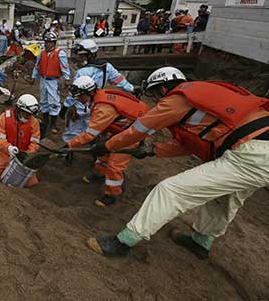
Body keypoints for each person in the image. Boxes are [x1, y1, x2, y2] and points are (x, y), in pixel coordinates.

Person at [87, 66, 269, 259]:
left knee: (169, 190)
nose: (157, 101)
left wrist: (107, 146)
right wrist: (152, 151)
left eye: (156, 95)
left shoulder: (177, 99)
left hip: (252, 155)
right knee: (225, 197)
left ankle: (123, 242)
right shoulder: (200, 97)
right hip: (257, 149)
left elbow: (138, 130)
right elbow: (188, 145)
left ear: (163, 89)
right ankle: (201, 242)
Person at [66, 76, 148, 206]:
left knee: (115, 164)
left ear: (90, 93)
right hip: (121, 129)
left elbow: (90, 134)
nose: (79, 100)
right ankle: (100, 174)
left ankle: (112, 194)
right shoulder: (100, 97)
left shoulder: (103, 107)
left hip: (132, 132)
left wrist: (70, 144)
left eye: (80, 96)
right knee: (102, 152)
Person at [63, 39, 135, 143]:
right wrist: (132, 89)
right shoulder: (106, 67)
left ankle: (69, 150)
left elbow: (73, 93)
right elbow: (119, 80)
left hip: (80, 105)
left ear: (90, 55)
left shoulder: (82, 72)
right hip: (96, 104)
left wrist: (65, 107)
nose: (80, 58)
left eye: (82, 55)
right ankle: (93, 148)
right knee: (93, 129)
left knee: (73, 130)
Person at [0, 94, 41, 187]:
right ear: (19, 109)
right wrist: (8, 148)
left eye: (30, 115)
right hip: (5, 154)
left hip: (23, 160)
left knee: (32, 184)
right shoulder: (3, 118)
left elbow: (35, 143)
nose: (28, 117)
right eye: (26, 114)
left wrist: (28, 156)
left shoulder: (34, 122)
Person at [32, 32, 70, 138]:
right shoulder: (42, 53)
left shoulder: (60, 53)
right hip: (43, 79)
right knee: (43, 100)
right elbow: (37, 66)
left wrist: (67, 78)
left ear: (54, 43)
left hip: (54, 80)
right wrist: (34, 77)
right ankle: (45, 121)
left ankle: (53, 124)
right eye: (46, 42)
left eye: (50, 42)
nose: (47, 44)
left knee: (53, 101)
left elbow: (65, 66)